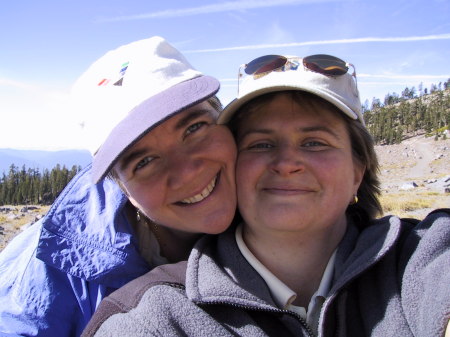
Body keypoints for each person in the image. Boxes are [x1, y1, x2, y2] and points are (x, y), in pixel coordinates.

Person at [83, 54, 450, 337]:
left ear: (359, 171)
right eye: (261, 144)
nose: (287, 162)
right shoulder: (157, 314)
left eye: (314, 142)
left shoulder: (422, 256)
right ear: (234, 164)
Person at [0, 36, 237, 336]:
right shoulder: (56, 265)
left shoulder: (277, 192)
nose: (187, 173)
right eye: (145, 161)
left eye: (194, 128)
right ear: (119, 186)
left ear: (224, 118)